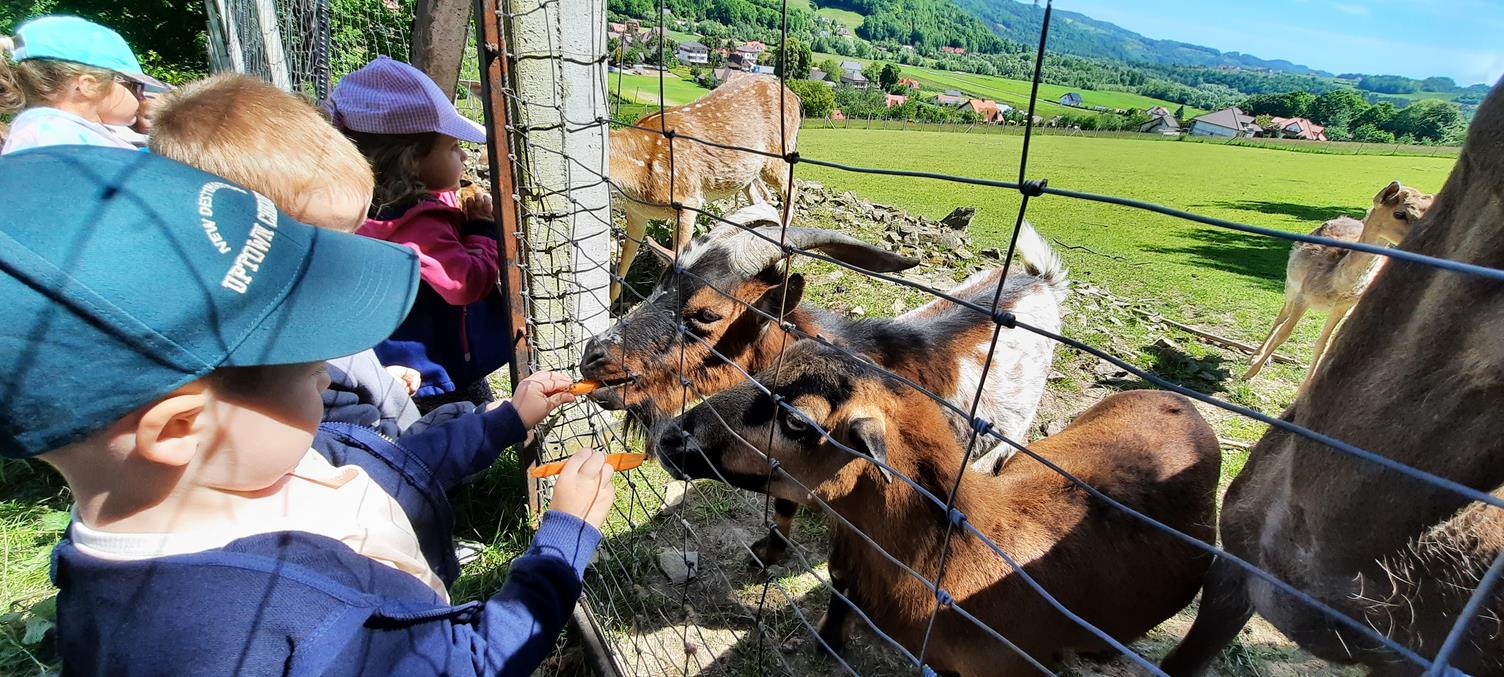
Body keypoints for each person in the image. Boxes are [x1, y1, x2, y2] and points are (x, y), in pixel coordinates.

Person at [0, 146, 615, 675]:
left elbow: (395, 468)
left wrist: (509, 418)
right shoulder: (251, 632)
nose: (328, 374)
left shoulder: (245, 466)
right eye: (305, 367)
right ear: (181, 427)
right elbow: (472, 662)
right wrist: (563, 542)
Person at [146, 72, 469, 438]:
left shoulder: (300, 332)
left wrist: (380, 382)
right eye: (330, 241)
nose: (348, 256)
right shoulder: (263, 369)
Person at [328, 56, 511, 411]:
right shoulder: (419, 224)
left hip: (394, 358)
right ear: (412, 161)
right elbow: (465, 283)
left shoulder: (367, 208)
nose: (463, 155)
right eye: (453, 147)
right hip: (437, 368)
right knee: (462, 426)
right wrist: (482, 230)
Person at [0, 15, 163, 154]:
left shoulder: (56, 133)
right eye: (136, 86)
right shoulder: (56, 138)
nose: (142, 99)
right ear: (88, 85)